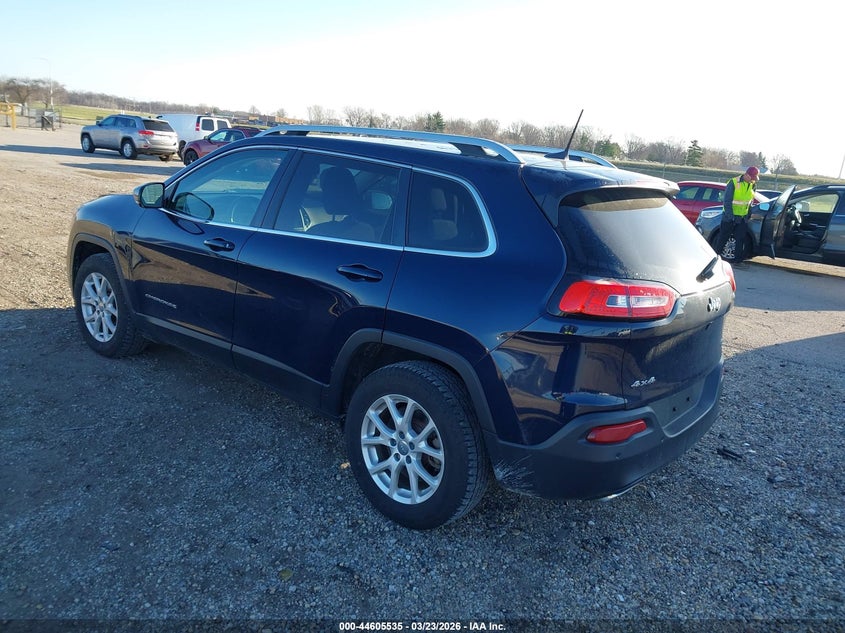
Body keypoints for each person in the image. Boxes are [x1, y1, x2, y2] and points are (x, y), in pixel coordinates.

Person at [714, 166, 760, 265]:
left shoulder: (753, 185)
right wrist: (731, 217)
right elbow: (727, 201)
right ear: (746, 175)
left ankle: (738, 261)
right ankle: (715, 259)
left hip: (742, 217)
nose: (753, 180)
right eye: (752, 178)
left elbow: (750, 201)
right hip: (729, 217)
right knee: (723, 238)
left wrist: (748, 215)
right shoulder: (733, 182)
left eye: (754, 179)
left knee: (740, 239)